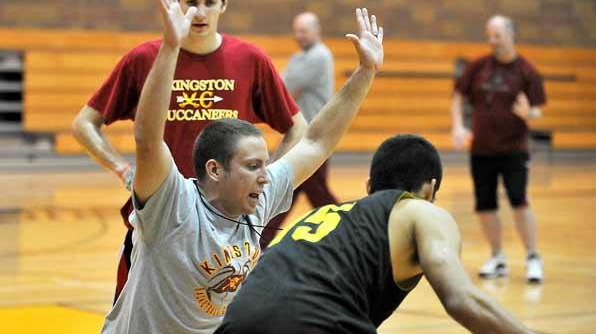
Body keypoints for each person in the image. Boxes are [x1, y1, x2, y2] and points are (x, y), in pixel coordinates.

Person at [100, 0, 384, 333]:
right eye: (252, 166)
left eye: (264, 164)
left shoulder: (258, 197)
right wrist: (171, 47)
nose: (266, 175)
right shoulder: (172, 204)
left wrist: (365, 73)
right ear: (215, 170)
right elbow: (147, 138)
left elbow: (315, 141)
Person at [71, 0, 307, 301]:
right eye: (191, 1)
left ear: (224, 4)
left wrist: (265, 175)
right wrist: (122, 169)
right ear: (176, 3)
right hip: (161, 219)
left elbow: (298, 127)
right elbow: (84, 124)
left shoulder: (250, 60)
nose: (200, 12)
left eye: (210, 1)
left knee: (221, 316)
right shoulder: (144, 59)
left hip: (226, 223)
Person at [215, 134, 536, 334]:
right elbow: (463, 301)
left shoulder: (324, 215)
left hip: (235, 321)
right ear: (430, 189)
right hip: (316, 321)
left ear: (370, 187)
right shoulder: (420, 210)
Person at [451, 15, 546, 283]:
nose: (492, 40)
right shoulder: (479, 66)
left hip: (514, 149)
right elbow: (457, 95)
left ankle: (532, 257)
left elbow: (538, 109)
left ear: (510, 35)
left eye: (497, 35)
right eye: (489, 35)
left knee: (519, 199)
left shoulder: (527, 70)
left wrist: (531, 113)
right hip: (481, 149)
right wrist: (458, 126)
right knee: (485, 204)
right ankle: (498, 257)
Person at [260, 12, 338, 248]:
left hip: (313, 137)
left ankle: (347, 231)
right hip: (305, 137)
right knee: (293, 189)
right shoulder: (303, 56)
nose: (298, 36)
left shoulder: (318, 56)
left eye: (303, 30)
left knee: (310, 191)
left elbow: (282, 86)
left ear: (316, 30)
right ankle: (261, 239)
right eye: (296, 30)